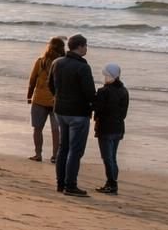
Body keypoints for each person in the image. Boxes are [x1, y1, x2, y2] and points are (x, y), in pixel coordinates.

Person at [50, 34, 97, 197]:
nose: (86, 48)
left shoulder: (57, 62)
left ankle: (60, 183)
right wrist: (94, 105)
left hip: (60, 110)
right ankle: (70, 185)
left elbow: (51, 85)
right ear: (80, 46)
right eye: (85, 45)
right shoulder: (83, 67)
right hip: (78, 112)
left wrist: (60, 97)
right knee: (75, 150)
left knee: (63, 148)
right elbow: (89, 92)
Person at [25, 37, 65, 162]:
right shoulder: (63, 64)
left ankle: (38, 154)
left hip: (39, 100)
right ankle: (55, 156)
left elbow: (32, 80)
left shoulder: (40, 62)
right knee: (56, 130)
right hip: (56, 101)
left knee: (37, 128)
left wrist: (29, 96)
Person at [94, 63, 129, 196]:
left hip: (105, 128)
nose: (104, 78)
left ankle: (112, 183)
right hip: (118, 127)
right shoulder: (124, 91)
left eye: (106, 75)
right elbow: (124, 113)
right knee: (112, 157)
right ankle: (112, 183)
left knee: (107, 158)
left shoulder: (103, 91)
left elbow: (98, 109)